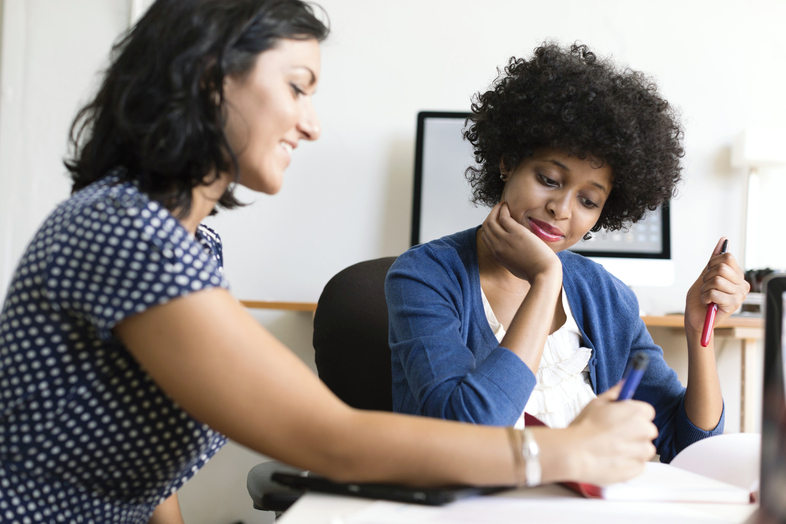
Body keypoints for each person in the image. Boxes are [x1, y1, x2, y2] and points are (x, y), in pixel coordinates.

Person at [0, 4, 660, 523]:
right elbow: (329, 439)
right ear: (208, 77)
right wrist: (568, 450)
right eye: (297, 87)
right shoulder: (127, 232)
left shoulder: (189, 245)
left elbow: (144, 475)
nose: (311, 124)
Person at [386, 42, 750, 463]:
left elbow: (690, 449)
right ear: (508, 162)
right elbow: (469, 430)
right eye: (548, 179)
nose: (561, 209)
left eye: (588, 201)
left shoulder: (603, 294)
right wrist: (545, 280)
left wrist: (698, 334)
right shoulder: (424, 275)